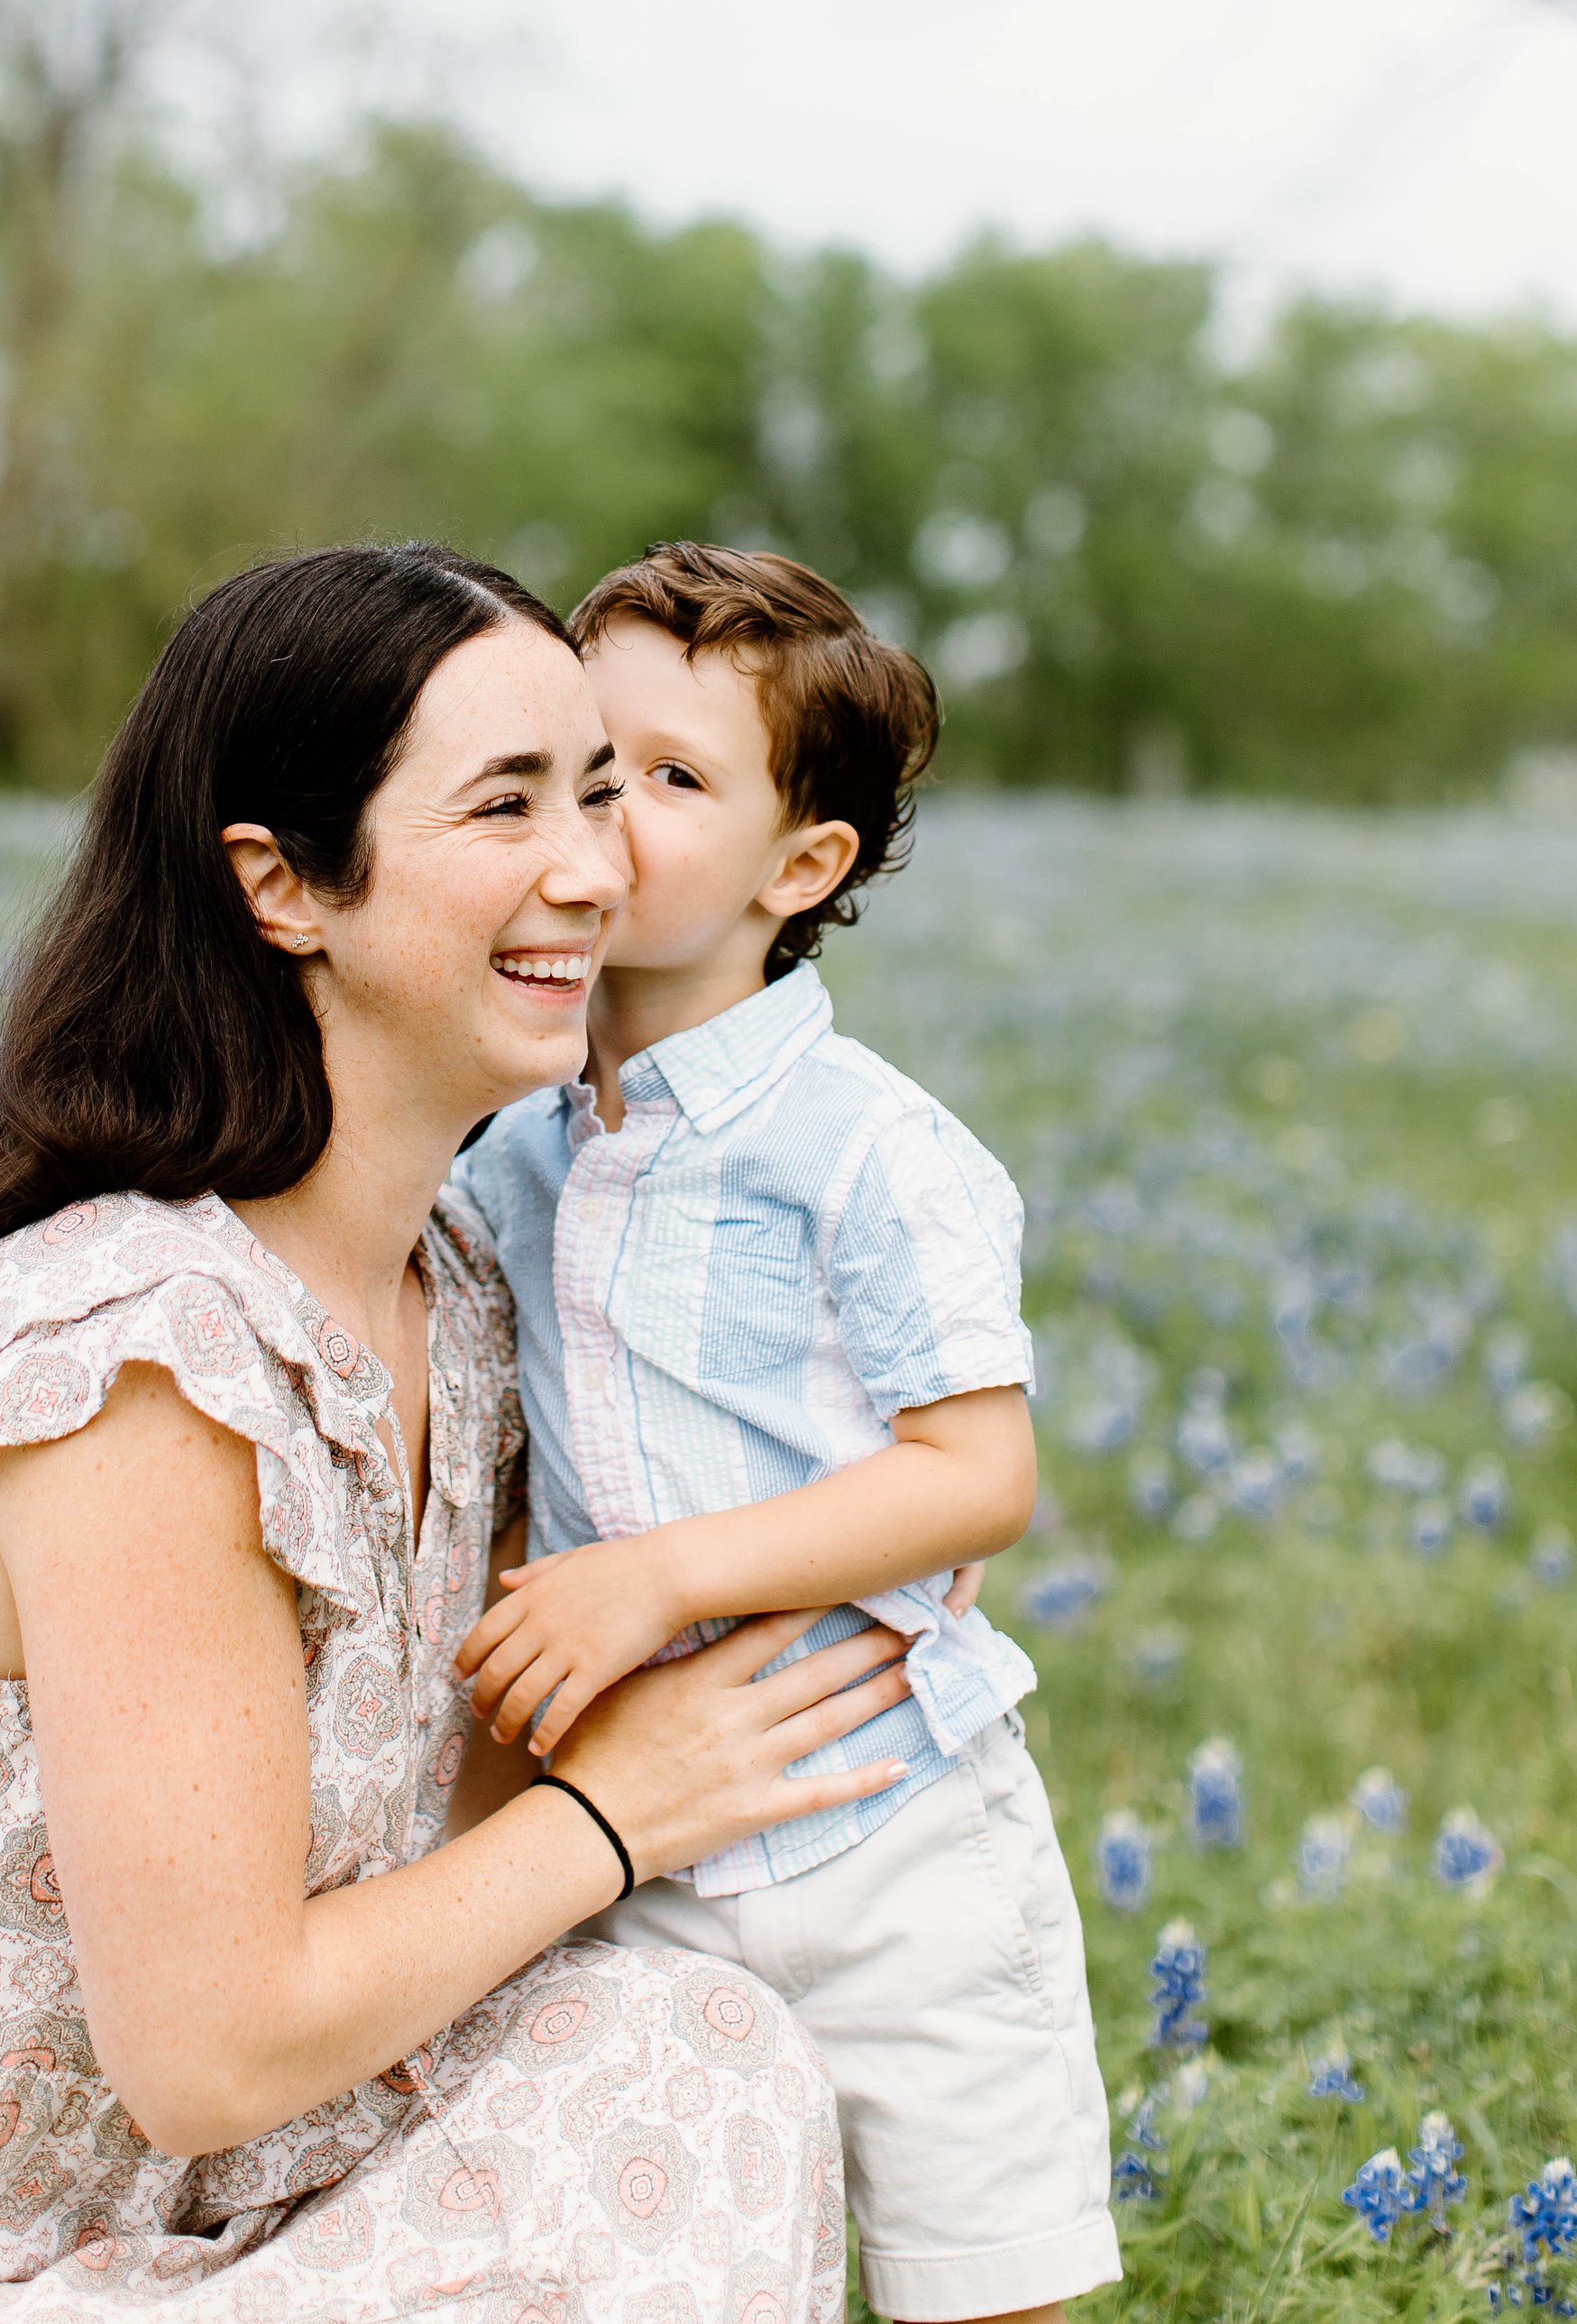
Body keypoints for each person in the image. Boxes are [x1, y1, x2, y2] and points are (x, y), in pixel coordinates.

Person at [0, 543, 913, 2324]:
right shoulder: (135, 1360)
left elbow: (434, 1837)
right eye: (502, 807)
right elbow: (210, 2050)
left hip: (163, 2236)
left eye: (601, 791)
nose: (591, 868)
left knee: (688, 2060)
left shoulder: (453, 1299)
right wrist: (615, 1810)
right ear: (281, 887)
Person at [454, 543, 1120, 2324]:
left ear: (798, 867)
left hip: (884, 1821)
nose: (602, 815)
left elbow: (975, 1474)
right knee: (657, 2263)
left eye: (669, 781)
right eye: (583, 760)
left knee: (983, 2287)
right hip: (644, 1837)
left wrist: (644, 1577)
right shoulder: (510, 1140)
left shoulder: (864, 1149)